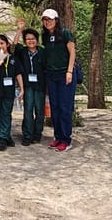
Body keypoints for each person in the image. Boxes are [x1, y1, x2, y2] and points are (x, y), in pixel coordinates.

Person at [41, 8, 77, 152]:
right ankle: (58, 137)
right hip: (51, 75)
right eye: (45, 19)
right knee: (54, 107)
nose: (47, 22)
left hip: (64, 74)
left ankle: (66, 139)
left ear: (56, 20)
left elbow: (72, 52)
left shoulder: (65, 33)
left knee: (65, 108)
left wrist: (69, 71)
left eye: (50, 19)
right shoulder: (45, 36)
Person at [0, 34, 23, 151]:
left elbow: (18, 74)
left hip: (9, 91)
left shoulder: (13, 58)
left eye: (2, 43)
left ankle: (3, 138)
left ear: (7, 44)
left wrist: (22, 88)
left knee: (6, 114)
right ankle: (5, 136)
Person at [18, 27, 46, 145]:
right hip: (28, 85)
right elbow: (13, 46)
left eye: (33, 39)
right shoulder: (22, 51)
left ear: (37, 40)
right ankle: (27, 135)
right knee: (28, 110)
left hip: (40, 85)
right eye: (28, 39)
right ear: (25, 41)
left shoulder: (43, 52)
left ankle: (37, 134)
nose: (30, 41)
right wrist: (19, 30)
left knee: (40, 111)